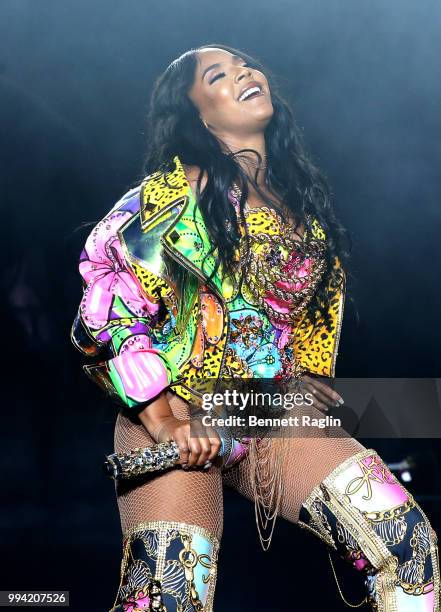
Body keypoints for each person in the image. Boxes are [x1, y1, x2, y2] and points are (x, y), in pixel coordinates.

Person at [71, 44, 440, 611]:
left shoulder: (303, 207)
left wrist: (303, 381)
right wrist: (162, 416)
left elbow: (294, 326)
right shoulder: (177, 192)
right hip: (174, 415)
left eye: (245, 65)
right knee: (170, 598)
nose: (244, 73)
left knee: (407, 548)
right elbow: (108, 299)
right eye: (217, 75)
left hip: (260, 413)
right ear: (197, 114)